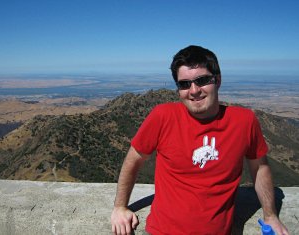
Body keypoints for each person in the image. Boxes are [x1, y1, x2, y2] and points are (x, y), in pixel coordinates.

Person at [110, 45, 289, 235]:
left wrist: (270, 216)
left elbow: (259, 167)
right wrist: (120, 207)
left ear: (218, 80)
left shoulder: (244, 121)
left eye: (202, 80)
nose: (194, 90)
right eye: (184, 84)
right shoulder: (162, 116)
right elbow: (133, 159)